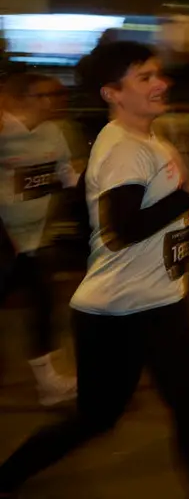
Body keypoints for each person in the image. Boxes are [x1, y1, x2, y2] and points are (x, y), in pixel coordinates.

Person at [0, 41, 189, 499]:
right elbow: (122, 228)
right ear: (112, 93)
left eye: (158, 74)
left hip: (157, 300)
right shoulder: (123, 148)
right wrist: (188, 198)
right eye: (144, 77)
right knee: (97, 417)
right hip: (119, 311)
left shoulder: (148, 140)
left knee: (188, 406)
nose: (160, 83)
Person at [0, 73, 80, 406]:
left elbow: (65, 171)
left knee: (45, 307)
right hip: (4, 240)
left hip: (35, 240)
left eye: (56, 94)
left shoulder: (52, 132)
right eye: (43, 95)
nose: (52, 102)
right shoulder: (3, 131)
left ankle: (48, 383)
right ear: (20, 99)